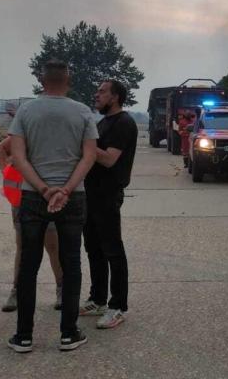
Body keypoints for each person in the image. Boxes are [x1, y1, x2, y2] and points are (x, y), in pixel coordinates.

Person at [6, 60, 98, 353]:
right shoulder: (82, 111)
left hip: (33, 196)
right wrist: (67, 189)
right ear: (68, 80)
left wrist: (44, 189)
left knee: (29, 264)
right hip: (72, 197)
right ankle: (69, 333)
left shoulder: (26, 111)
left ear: (41, 81)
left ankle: (23, 336)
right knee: (71, 263)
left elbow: (17, 158)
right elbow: (89, 156)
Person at [79, 80, 138, 329]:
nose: (97, 94)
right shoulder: (103, 122)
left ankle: (118, 306)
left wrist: (86, 145)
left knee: (113, 250)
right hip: (90, 194)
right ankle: (98, 299)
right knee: (94, 249)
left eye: (102, 91)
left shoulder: (123, 123)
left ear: (115, 97)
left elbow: (110, 160)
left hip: (108, 194)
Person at [0, 135, 64, 312]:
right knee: (24, 246)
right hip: (23, 197)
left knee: (53, 246)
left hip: (48, 195)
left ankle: (61, 289)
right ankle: (17, 290)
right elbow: (2, 148)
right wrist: (6, 172)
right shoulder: (27, 123)